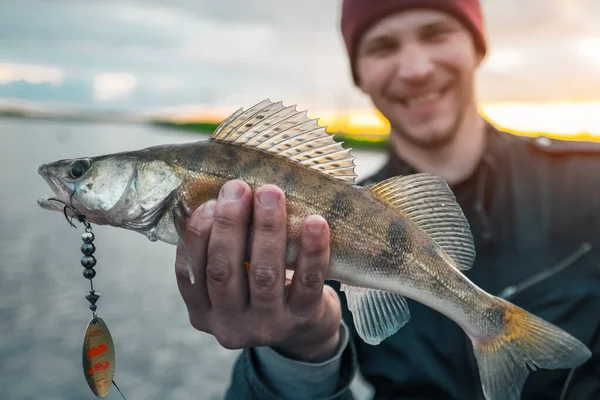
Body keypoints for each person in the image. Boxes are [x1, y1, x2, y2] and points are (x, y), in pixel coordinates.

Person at [173, 0, 600, 398]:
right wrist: (297, 356)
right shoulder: (308, 225)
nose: (415, 69)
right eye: (382, 46)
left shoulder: (591, 180)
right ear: (358, 73)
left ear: (476, 47)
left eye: (435, 34)